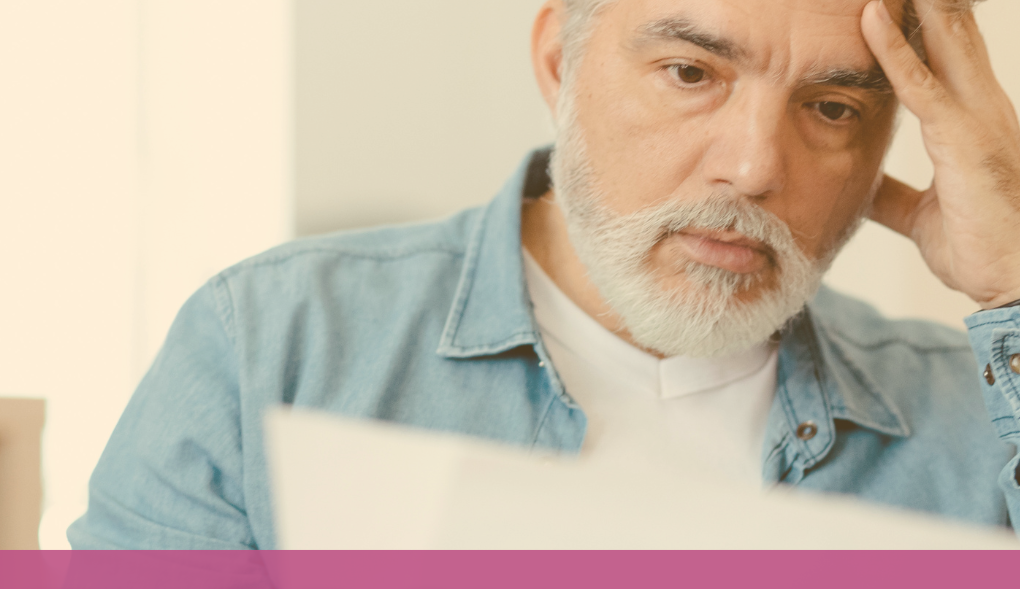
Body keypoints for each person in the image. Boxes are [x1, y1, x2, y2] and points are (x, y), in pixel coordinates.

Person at [70, 0, 1020, 550]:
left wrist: (1015, 287)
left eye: (832, 107)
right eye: (692, 73)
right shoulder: (276, 346)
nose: (754, 166)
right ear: (558, 63)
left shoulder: (972, 421)